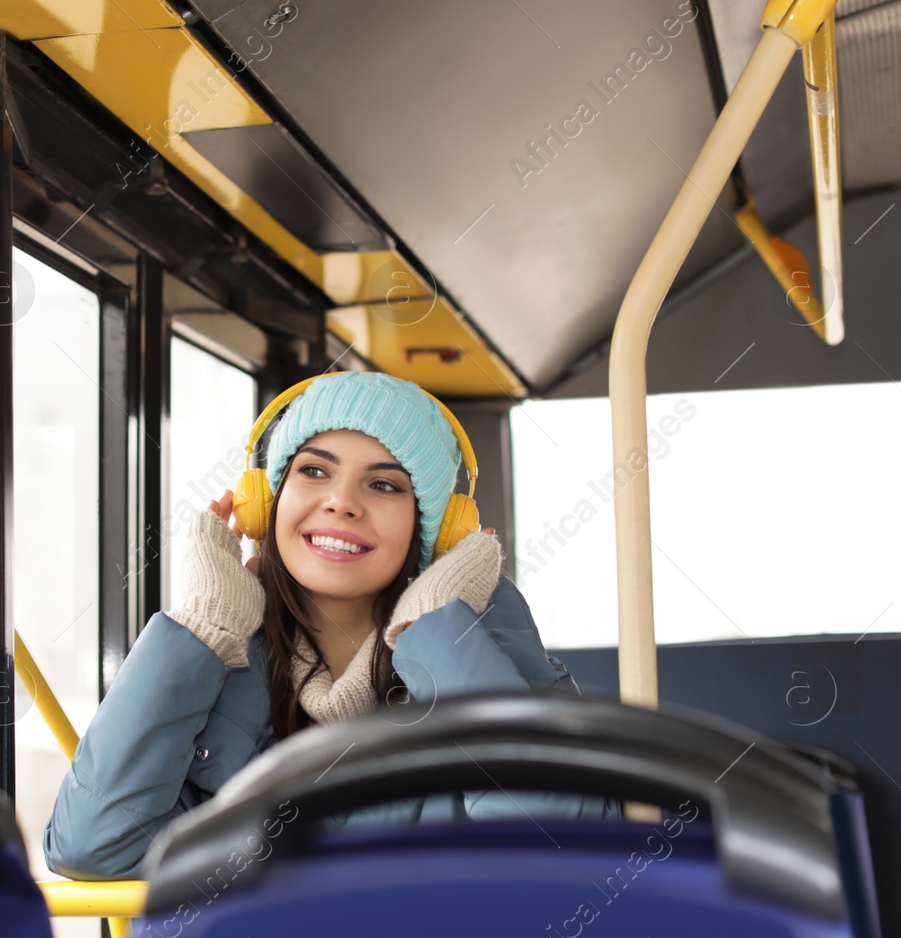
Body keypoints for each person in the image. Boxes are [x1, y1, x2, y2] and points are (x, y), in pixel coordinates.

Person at [44, 372, 607, 880]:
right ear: (267, 501)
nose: (341, 503)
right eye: (314, 471)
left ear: (434, 530)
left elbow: (554, 841)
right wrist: (204, 626)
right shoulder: (220, 659)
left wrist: (435, 627)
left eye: (384, 485)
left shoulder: (482, 640)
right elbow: (93, 847)